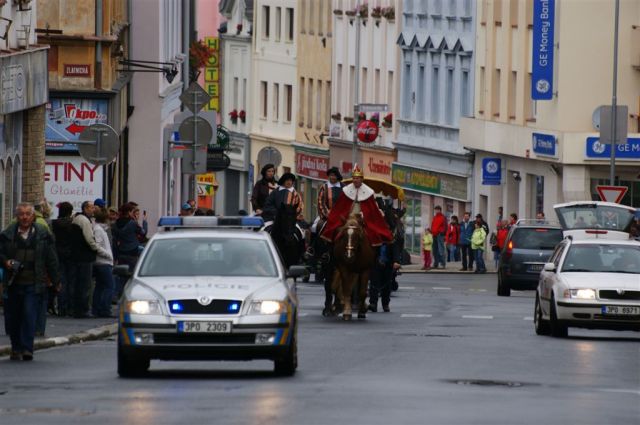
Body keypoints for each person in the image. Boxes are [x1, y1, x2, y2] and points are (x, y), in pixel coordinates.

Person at [0, 203, 60, 361]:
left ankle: (27, 348)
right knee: (14, 317)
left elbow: (51, 258)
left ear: (33, 216)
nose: (25, 217)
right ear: (17, 216)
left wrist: (56, 280)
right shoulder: (8, 234)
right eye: (21, 214)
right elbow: (1, 253)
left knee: (29, 314)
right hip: (13, 283)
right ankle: (16, 347)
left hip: (34, 283)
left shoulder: (42, 234)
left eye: (27, 214)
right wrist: (6, 262)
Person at [321, 165, 393, 247]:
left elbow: (371, 210)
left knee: (373, 233)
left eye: (357, 178)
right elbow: (340, 208)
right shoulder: (346, 190)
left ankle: (376, 256)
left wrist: (364, 215)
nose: (355, 180)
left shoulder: (368, 192)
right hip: (347, 218)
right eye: (354, 178)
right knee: (334, 229)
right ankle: (328, 251)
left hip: (362, 219)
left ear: (362, 179)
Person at [69, 201, 99, 318]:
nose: (93, 210)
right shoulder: (84, 221)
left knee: (78, 283)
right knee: (85, 284)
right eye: (92, 208)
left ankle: (77, 309)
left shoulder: (77, 218)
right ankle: (83, 310)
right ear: (86, 208)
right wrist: (97, 249)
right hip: (85, 257)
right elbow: (89, 239)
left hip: (77, 256)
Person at [51, 202, 74, 317]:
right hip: (70, 255)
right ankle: (69, 307)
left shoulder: (54, 224)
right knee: (70, 281)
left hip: (57, 254)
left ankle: (61, 307)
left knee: (60, 281)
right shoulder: (72, 224)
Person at [92, 208, 115, 317]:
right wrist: (108, 255)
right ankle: (104, 309)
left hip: (103, 262)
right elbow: (97, 246)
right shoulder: (98, 230)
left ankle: (97, 309)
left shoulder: (100, 229)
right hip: (103, 262)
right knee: (110, 286)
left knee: (100, 287)